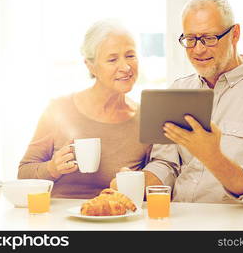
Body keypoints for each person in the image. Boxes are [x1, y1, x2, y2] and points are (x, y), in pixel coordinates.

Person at [112, 0, 243, 207]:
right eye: (190, 39)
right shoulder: (178, 89)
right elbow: (165, 165)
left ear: (235, 34)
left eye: (209, 38)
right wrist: (135, 183)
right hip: (177, 220)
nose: (198, 49)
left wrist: (213, 157)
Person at [18, 19, 151, 198]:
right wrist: (52, 168)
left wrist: (136, 182)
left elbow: (156, 183)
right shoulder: (59, 109)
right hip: (61, 222)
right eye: (112, 59)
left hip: (117, 220)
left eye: (130, 55)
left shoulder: (145, 119)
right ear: (90, 66)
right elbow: (23, 174)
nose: (126, 67)